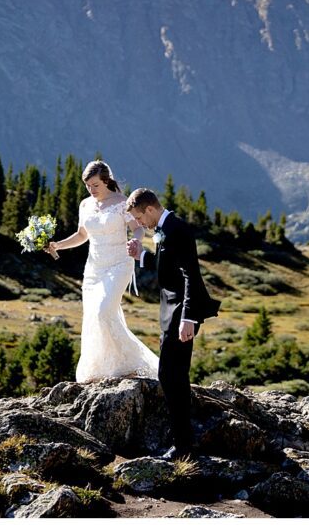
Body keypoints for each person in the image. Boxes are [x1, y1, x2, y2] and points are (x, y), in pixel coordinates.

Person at [126, 188, 220, 460]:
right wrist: (141, 256)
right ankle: (183, 442)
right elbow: (167, 266)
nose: (139, 224)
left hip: (181, 313)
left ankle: (182, 446)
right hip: (172, 312)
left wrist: (188, 318)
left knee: (171, 376)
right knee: (173, 376)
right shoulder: (164, 228)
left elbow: (191, 275)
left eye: (139, 218)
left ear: (150, 209)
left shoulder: (177, 229)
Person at [46, 161, 159, 382]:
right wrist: (58, 245)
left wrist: (135, 242)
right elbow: (82, 235)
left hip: (119, 264)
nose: (91, 189)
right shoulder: (85, 205)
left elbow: (137, 229)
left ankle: (134, 363)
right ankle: (102, 369)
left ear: (106, 181)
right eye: (87, 185)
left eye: (95, 185)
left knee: (103, 311)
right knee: (93, 316)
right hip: (94, 268)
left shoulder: (122, 202)